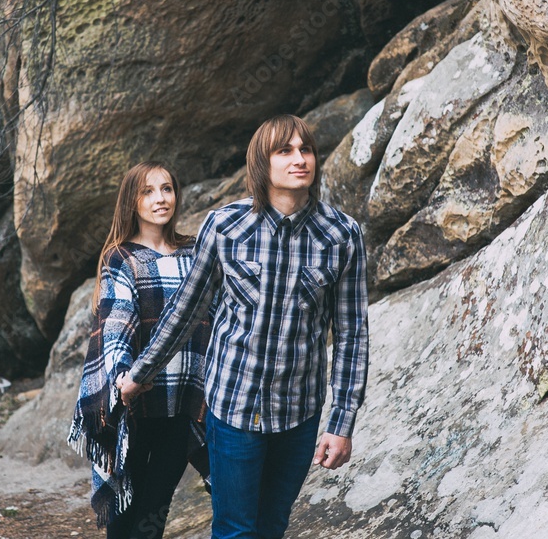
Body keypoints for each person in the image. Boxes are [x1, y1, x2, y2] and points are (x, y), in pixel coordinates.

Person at [119, 114, 369, 539]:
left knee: (271, 527)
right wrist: (140, 374)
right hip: (234, 408)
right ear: (261, 164)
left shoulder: (342, 235)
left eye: (305, 149)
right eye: (284, 151)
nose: (299, 159)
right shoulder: (225, 227)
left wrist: (341, 422)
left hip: (299, 413)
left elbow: (351, 335)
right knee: (235, 530)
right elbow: (185, 311)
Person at [69, 161, 211, 539]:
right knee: (123, 513)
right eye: (147, 191)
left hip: (182, 403)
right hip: (134, 405)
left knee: (154, 512)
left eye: (166, 189)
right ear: (132, 202)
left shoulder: (195, 252)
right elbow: (118, 319)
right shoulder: (121, 258)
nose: (160, 199)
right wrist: (121, 377)